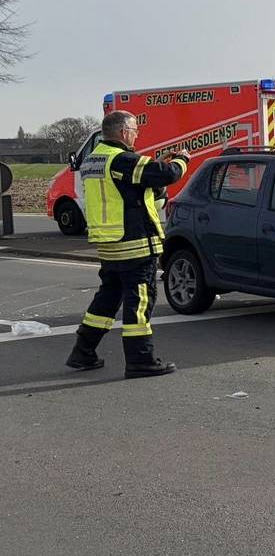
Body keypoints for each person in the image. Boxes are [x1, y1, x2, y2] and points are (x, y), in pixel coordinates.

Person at [65, 111, 189, 378]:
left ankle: (82, 352)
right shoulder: (121, 159)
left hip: (109, 244)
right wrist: (182, 159)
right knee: (140, 302)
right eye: (134, 130)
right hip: (135, 245)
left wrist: (154, 175)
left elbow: (127, 190)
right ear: (123, 132)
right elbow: (167, 174)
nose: (136, 135)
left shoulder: (93, 160)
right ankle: (140, 360)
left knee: (107, 299)